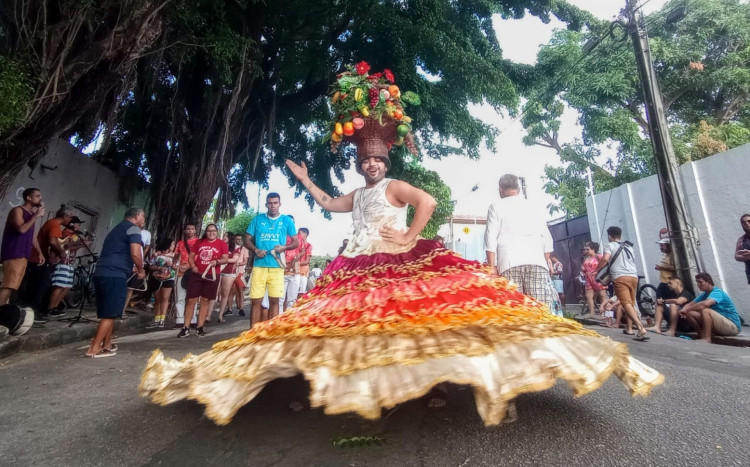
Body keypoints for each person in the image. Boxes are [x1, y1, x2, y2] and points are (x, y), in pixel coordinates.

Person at [142, 130, 663, 426]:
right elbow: (328, 203)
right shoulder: (358, 192)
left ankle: (434, 384)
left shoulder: (393, 184)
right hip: (358, 259)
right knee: (356, 325)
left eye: (375, 160)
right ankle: (372, 383)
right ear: (357, 163)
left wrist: (411, 237)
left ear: (383, 162)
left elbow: (429, 202)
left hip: (398, 258)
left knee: (422, 320)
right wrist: (304, 181)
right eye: (364, 160)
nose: (370, 166)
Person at [484, 174, 561, 316]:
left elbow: (490, 239)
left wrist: (491, 266)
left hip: (508, 265)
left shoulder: (496, 207)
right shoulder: (533, 206)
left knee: (515, 314)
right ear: (518, 188)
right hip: (537, 264)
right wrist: (547, 260)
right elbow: (546, 238)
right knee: (541, 312)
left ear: (500, 189)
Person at [85, 207, 146, 357]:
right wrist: (141, 269)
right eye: (143, 216)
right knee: (110, 313)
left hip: (102, 272)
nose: (143, 220)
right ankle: (94, 348)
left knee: (109, 312)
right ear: (137, 216)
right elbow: (136, 254)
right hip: (115, 274)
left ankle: (107, 344)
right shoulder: (134, 229)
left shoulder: (116, 229)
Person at [243, 193, 298, 324]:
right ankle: (253, 334)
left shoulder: (287, 221)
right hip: (259, 265)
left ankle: (271, 335)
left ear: (280, 204)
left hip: (276, 267)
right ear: (266, 204)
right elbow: (246, 239)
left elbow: (296, 242)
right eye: (270, 203)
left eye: (275, 203)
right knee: (256, 301)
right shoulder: (258, 219)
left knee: (275, 301)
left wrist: (284, 248)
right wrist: (256, 249)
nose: (272, 206)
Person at [596, 226, 649, 340]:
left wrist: (596, 270)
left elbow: (605, 259)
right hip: (633, 276)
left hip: (620, 277)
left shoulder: (609, 245)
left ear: (609, 236)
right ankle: (629, 328)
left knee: (626, 303)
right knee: (630, 303)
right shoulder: (629, 246)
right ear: (620, 235)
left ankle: (640, 328)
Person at [177, 224, 228, 338]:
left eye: (213, 231)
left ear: (216, 232)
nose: (211, 233)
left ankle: (200, 327)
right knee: (191, 300)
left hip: (212, 275)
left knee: (205, 301)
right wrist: (193, 266)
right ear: (206, 232)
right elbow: (191, 257)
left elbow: (225, 258)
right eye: (209, 231)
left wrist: (217, 262)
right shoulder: (200, 242)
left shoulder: (221, 243)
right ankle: (186, 327)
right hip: (198, 274)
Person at [1, 188, 45, 306]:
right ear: (29, 198)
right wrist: (36, 216)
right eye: (37, 196)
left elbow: (31, 236)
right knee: (8, 285)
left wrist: (39, 252)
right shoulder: (17, 210)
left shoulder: (31, 215)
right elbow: (21, 229)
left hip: (24, 255)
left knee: (13, 286)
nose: (40, 198)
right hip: (13, 253)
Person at [679, 272, 741, 343]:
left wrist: (686, 310)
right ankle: (702, 336)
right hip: (720, 325)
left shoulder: (717, 292)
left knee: (705, 310)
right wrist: (683, 310)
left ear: (708, 281)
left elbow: (705, 304)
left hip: (732, 327)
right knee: (689, 313)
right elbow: (689, 304)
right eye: (697, 282)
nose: (698, 285)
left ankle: (707, 338)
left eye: (700, 282)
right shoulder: (704, 294)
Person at [46, 215, 88, 318]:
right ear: (72, 224)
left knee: (67, 287)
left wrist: (82, 243)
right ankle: (50, 308)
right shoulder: (65, 233)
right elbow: (66, 247)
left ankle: (56, 306)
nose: (79, 227)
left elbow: (72, 248)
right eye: (78, 224)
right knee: (60, 286)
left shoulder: (74, 235)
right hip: (63, 262)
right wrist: (82, 244)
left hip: (69, 263)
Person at [145, 238, 177, 329]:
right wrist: (159, 268)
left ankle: (162, 319)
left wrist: (172, 265)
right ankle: (156, 319)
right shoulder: (156, 254)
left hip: (169, 278)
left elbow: (177, 267)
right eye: (172, 244)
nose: (173, 246)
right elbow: (150, 266)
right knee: (157, 299)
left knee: (165, 298)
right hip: (156, 278)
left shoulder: (174, 256)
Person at [173, 223, 199, 328]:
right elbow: (175, 256)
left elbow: (199, 257)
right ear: (185, 231)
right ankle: (180, 320)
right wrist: (175, 265)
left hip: (193, 272)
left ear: (195, 231)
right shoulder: (180, 243)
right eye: (188, 229)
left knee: (192, 297)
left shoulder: (199, 243)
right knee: (180, 297)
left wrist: (189, 266)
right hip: (181, 273)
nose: (190, 231)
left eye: (192, 229)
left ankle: (192, 320)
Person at [217, 232, 242, 323]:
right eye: (223, 235)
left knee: (225, 293)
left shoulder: (236, 248)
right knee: (214, 293)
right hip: (217, 270)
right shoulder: (219, 245)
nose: (224, 237)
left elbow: (235, 259)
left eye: (226, 236)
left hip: (229, 272)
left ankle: (220, 315)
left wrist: (222, 261)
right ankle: (207, 315)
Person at [581, 242, 608, 317]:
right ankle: (591, 313)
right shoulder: (586, 258)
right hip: (588, 278)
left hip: (597, 278)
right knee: (589, 296)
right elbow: (585, 268)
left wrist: (598, 271)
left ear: (593, 249)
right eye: (585, 249)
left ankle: (605, 313)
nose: (586, 251)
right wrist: (583, 269)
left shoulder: (598, 256)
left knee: (602, 296)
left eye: (588, 249)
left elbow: (605, 264)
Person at [231, 234, 250, 316]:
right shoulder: (230, 248)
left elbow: (245, 261)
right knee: (231, 291)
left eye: (240, 239)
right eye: (237, 239)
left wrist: (238, 264)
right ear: (234, 239)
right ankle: (229, 308)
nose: (239, 241)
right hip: (230, 271)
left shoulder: (244, 249)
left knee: (240, 290)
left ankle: (241, 308)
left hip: (240, 272)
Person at [734, 213, 750, 285]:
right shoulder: (742, 239)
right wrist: (745, 256)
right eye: (744, 222)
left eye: (749, 221)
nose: (747, 224)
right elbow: (736, 256)